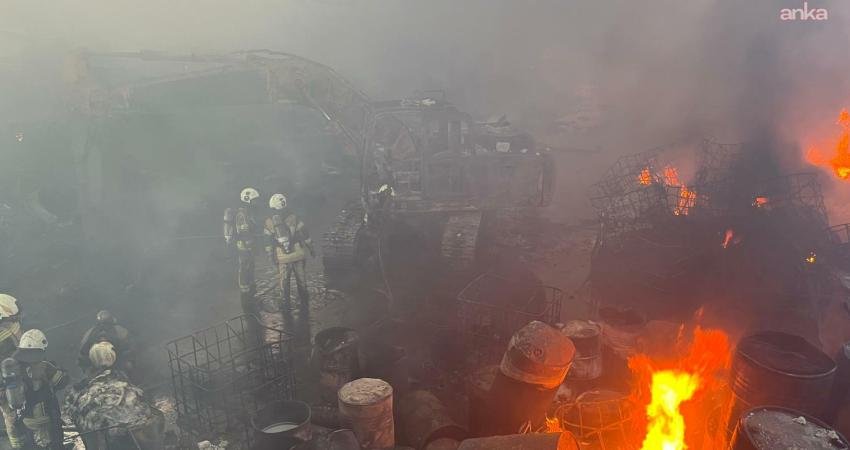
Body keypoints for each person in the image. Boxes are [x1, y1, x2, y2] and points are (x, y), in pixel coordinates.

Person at [9, 329, 68, 450]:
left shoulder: (14, 368)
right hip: (44, 419)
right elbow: (62, 382)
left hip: (26, 420)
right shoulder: (41, 366)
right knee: (53, 444)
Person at [265, 193, 314, 308]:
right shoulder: (294, 217)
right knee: (301, 281)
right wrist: (311, 249)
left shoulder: (269, 221)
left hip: (283, 257)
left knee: (284, 283)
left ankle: (285, 306)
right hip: (298, 254)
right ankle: (305, 304)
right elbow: (305, 234)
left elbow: (267, 242)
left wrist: (270, 256)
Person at [225, 187, 262, 314]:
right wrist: (250, 245)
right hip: (244, 247)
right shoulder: (242, 214)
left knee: (249, 267)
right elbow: (244, 231)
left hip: (247, 247)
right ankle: (246, 297)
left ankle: (250, 291)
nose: (256, 202)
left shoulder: (247, 212)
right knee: (245, 268)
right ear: (247, 200)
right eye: (254, 200)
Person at [78, 310, 133, 377]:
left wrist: (88, 370)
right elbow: (128, 348)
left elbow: (83, 351)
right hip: (115, 364)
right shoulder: (120, 330)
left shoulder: (90, 332)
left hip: (98, 365)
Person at [0, 294, 23, 447]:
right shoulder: (4, 337)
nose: (16, 321)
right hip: (6, 384)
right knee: (12, 417)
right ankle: (19, 446)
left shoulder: (8, 329)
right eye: (12, 318)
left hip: (14, 378)